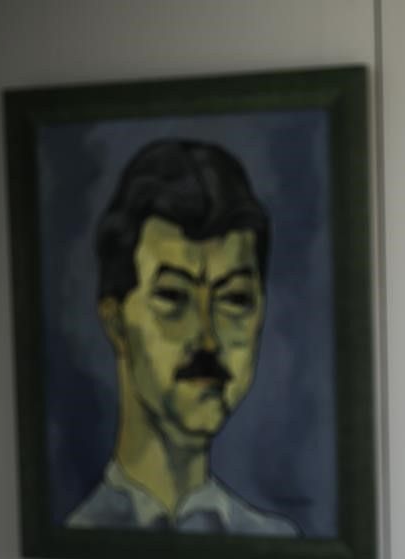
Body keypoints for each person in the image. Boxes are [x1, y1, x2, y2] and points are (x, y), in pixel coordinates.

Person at [65, 139, 298, 537]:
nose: (207, 339)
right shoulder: (76, 536)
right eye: (173, 297)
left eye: (235, 299)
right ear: (115, 321)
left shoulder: (276, 542)